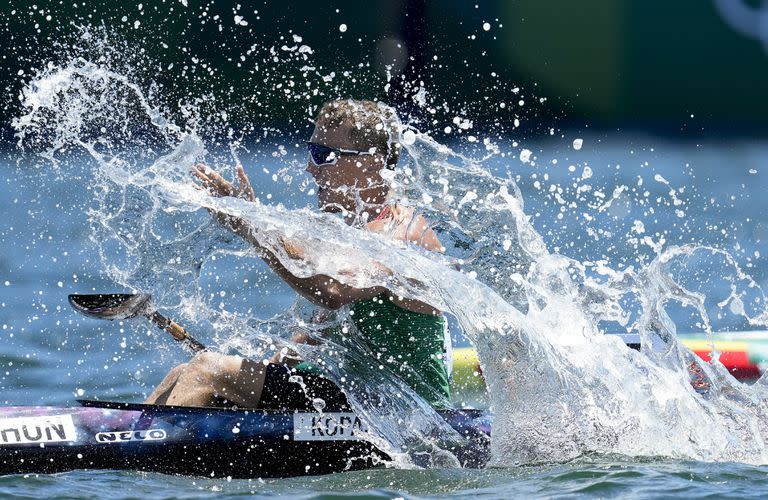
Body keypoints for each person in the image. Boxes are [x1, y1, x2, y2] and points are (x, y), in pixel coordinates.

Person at [145, 99, 452, 410]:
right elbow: (316, 335)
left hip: (404, 412)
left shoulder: (404, 232)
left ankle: (144, 450)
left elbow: (333, 292)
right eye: (311, 153)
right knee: (184, 372)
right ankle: (125, 438)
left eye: (323, 156)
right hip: (352, 396)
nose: (310, 168)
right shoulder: (348, 237)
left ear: (371, 163)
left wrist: (252, 228)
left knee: (206, 370)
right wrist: (258, 374)